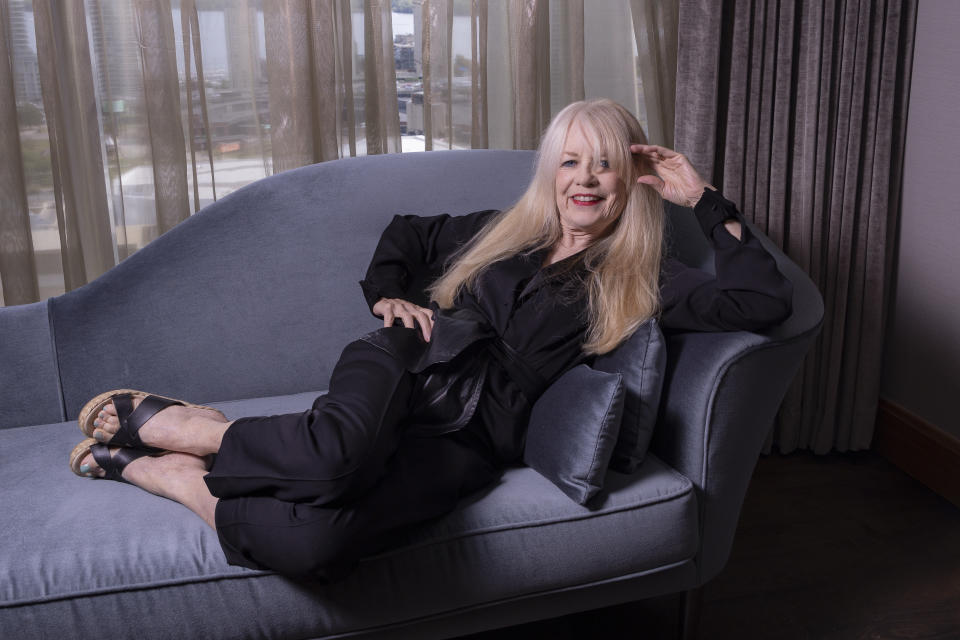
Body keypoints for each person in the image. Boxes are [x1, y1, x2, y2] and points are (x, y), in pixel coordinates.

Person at [68, 99, 792, 580]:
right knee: (333, 453)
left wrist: (703, 200)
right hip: (405, 364)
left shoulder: (643, 277)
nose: (585, 179)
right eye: (570, 161)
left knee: (315, 544)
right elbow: (408, 232)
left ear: (631, 176)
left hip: (470, 439)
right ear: (552, 172)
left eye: (604, 163)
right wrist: (389, 294)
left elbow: (762, 301)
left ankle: (169, 474)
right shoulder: (506, 231)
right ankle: (190, 424)